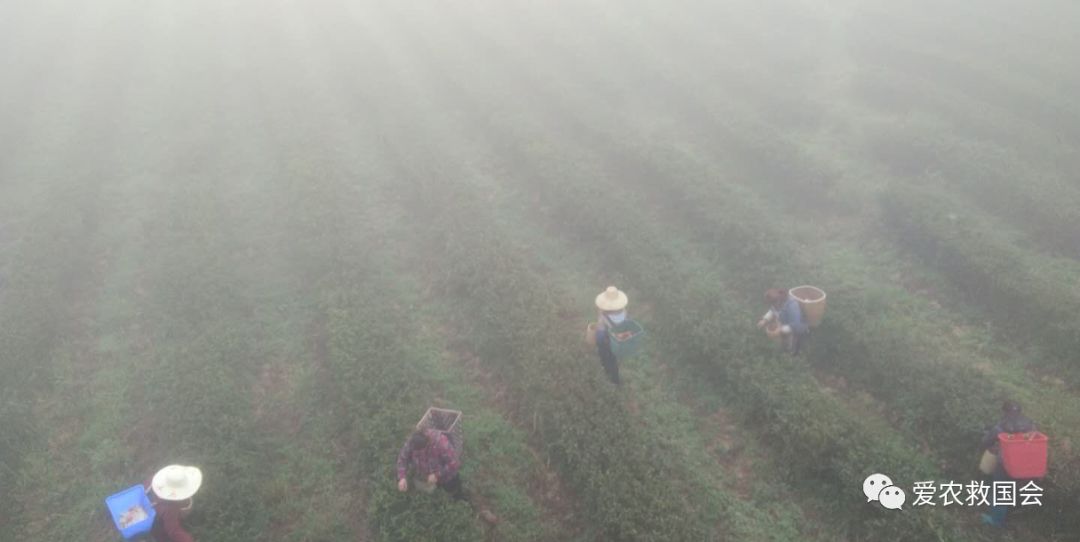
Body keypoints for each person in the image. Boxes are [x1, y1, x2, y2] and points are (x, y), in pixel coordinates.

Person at [980, 400, 1036, 528]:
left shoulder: (1001, 426)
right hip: (1026, 464)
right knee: (1017, 489)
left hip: (1006, 464)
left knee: (1000, 491)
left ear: (1004, 411)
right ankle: (1014, 515)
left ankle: (996, 521)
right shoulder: (1031, 424)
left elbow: (986, 441)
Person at [397, 428, 463, 499]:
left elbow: (454, 463)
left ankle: (457, 498)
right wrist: (402, 477)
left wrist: (437, 474)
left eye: (420, 452)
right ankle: (437, 499)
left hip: (445, 474)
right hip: (427, 474)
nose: (419, 454)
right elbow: (403, 459)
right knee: (434, 493)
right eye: (416, 453)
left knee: (452, 488)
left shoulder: (441, 442)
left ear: (427, 444)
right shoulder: (411, 442)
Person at [142, 464, 202, 542]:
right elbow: (173, 530)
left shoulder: (153, 480)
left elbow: (143, 488)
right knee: (160, 534)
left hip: (147, 502)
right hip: (152, 518)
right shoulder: (170, 509)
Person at [756, 288, 809, 355]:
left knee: (793, 341)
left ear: (778, 300)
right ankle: (784, 345)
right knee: (783, 337)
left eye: (772, 304)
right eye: (770, 304)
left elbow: (795, 325)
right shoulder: (776, 304)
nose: (771, 306)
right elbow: (772, 311)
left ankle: (792, 353)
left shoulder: (792, 306)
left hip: (798, 326)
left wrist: (780, 330)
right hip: (785, 322)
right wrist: (764, 320)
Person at [594, 286, 629, 385]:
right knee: (613, 359)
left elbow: (600, 328)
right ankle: (616, 379)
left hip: (606, 340)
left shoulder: (604, 316)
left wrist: (600, 315)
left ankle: (608, 373)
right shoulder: (624, 312)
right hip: (617, 340)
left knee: (605, 356)